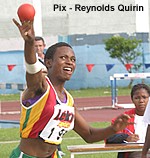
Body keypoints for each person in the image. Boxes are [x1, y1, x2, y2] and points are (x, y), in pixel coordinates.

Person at [10, 17, 132, 158]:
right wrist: (30, 43)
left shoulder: (68, 101)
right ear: (48, 62)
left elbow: (89, 135)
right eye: (63, 58)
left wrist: (112, 129)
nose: (70, 62)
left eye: (73, 59)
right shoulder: (40, 87)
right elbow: (32, 68)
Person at [34, 36, 65, 156]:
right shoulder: (33, 61)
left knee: (57, 121)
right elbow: (31, 69)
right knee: (41, 123)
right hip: (40, 94)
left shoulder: (52, 59)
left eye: (40, 45)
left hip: (54, 94)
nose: (38, 48)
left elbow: (88, 134)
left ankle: (58, 149)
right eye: (35, 46)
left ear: (44, 46)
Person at [106, 83, 150, 158]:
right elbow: (109, 137)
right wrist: (126, 137)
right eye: (137, 98)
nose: (141, 101)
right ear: (132, 99)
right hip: (134, 153)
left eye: (144, 97)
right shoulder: (125, 118)